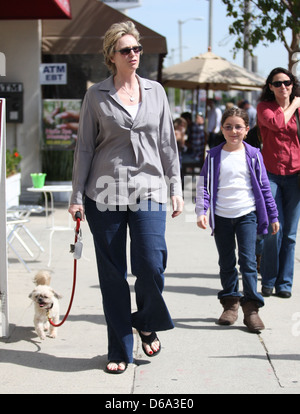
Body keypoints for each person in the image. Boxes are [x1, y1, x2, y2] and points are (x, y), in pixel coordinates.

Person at [68, 21, 184, 374]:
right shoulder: (96, 96)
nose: (134, 55)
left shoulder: (156, 92)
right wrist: (75, 196)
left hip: (149, 188)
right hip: (104, 192)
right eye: (126, 50)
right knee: (113, 275)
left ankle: (146, 320)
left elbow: (166, 143)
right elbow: (85, 147)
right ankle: (119, 347)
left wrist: (176, 187)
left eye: (137, 49)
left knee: (151, 263)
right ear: (111, 56)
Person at [196, 107, 279, 333]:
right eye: (228, 127)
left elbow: (264, 187)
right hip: (222, 217)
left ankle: (251, 309)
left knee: (248, 262)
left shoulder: (253, 154)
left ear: (247, 129)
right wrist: (201, 211)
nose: (233, 131)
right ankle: (230, 304)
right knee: (226, 262)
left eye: (238, 127)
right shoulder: (213, 155)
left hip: (247, 215)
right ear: (222, 129)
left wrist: (273, 215)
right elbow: (203, 185)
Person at [257, 67, 300, 298]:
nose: (283, 86)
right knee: (274, 230)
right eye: (277, 83)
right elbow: (277, 124)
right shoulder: (264, 108)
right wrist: (294, 104)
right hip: (271, 175)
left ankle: (284, 283)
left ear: (293, 84)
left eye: (287, 82)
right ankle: (269, 280)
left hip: (296, 175)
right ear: (270, 87)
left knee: (291, 235)